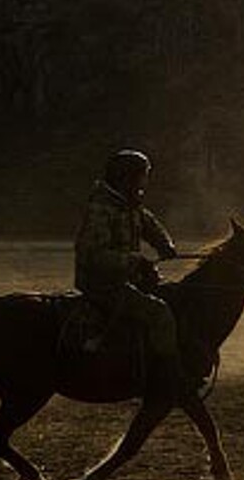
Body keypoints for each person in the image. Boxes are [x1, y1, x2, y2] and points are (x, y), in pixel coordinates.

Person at [74, 149, 188, 394]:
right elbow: (91, 255)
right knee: (159, 313)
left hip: (129, 279)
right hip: (103, 284)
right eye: (143, 176)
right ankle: (169, 377)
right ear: (125, 177)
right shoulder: (101, 209)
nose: (145, 182)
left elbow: (151, 225)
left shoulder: (129, 203)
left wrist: (165, 244)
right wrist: (135, 260)